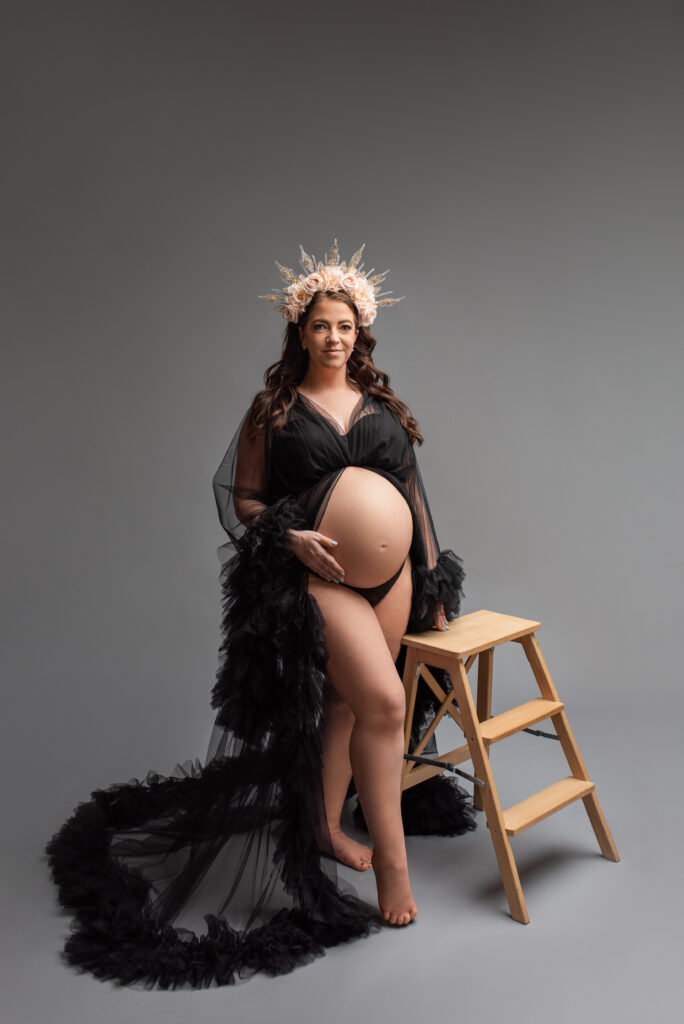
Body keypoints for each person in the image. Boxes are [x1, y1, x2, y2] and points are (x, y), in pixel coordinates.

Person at [44, 239, 474, 990]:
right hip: (322, 576)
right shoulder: (273, 409)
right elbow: (242, 500)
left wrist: (432, 580)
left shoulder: (381, 405)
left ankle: (326, 826)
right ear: (299, 332)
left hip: (394, 579)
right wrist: (289, 536)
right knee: (383, 702)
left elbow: (412, 494)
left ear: (361, 333)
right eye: (320, 326)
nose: (334, 338)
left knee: (349, 704)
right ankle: (393, 871)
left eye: (345, 326)